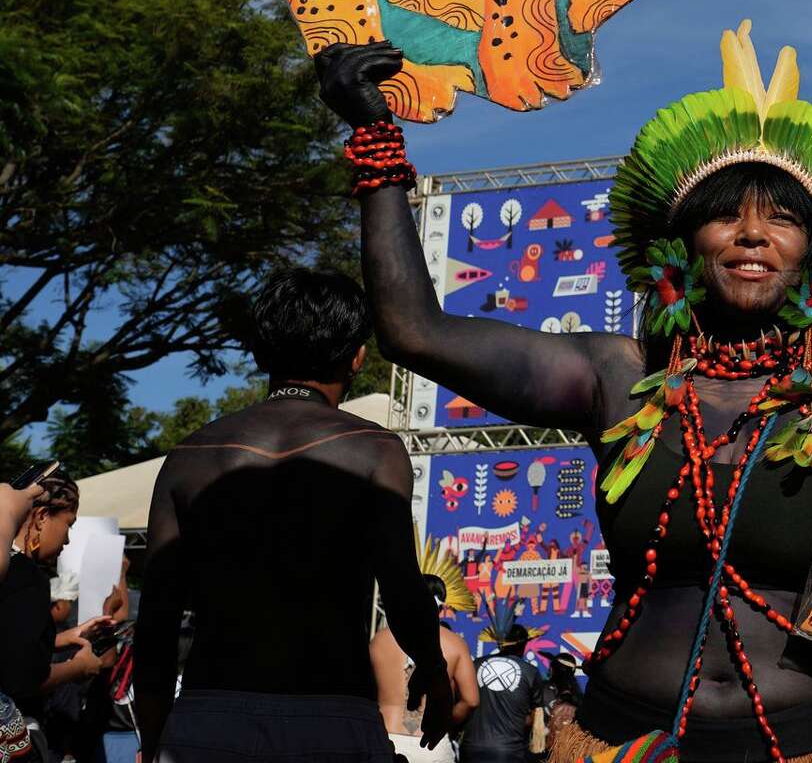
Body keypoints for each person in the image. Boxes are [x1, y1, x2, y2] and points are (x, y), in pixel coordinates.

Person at [318, 25, 812, 762]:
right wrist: (377, 144)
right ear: (682, 242)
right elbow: (413, 332)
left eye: (784, 219)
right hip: (623, 740)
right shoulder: (615, 375)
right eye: (727, 215)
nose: (754, 235)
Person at [133, 268, 452, 762]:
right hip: (330, 713)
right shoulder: (374, 451)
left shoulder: (191, 456)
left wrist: (154, 739)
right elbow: (402, 589)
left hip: (208, 714)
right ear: (357, 357)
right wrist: (433, 671)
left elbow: (156, 619)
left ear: (262, 353)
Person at [1, 472, 115, 763]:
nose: (67, 539)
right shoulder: (26, 576)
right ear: (40, 517)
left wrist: (64, 638)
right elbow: (23, 680)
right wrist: (78, 668)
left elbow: (7, 650)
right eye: (68, 525)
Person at [370, 574, 479, 763]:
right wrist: (444, 721)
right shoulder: (454, 643)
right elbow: (471, 700)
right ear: (441, 604)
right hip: (431, 745)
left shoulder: (379, 640)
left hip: (386, 738)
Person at [464, 627, 542, 763]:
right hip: (509, 752)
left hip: (472, 748)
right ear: (523, 645)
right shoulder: (530, 672)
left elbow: (463, 702)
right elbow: (536, 715)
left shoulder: (475, 664)